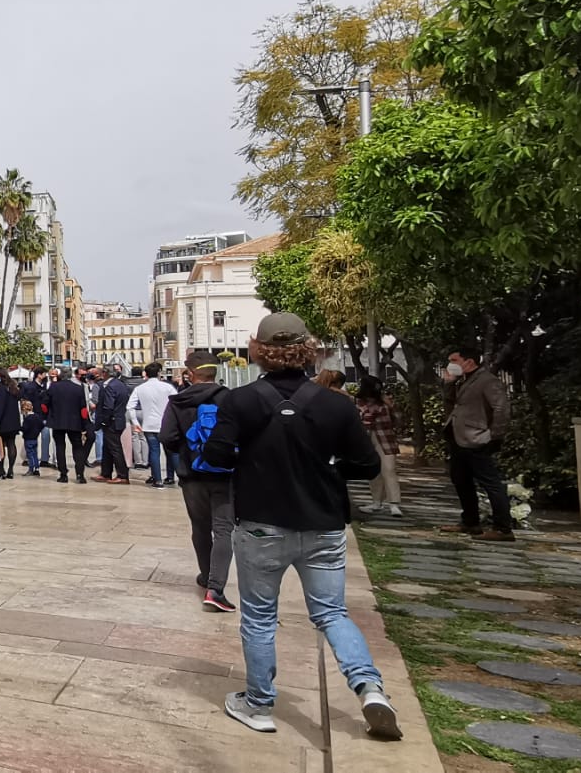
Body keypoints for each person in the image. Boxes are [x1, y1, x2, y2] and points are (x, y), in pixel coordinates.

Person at [201, 313, 398, 741]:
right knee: (331, 612)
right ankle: (369, 688)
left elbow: (216, 456)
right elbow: (366, 464)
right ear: (307, 349)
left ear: (258, 350)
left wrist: (252, 462)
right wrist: (325, 468)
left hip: (261, 524)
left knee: (259, 617)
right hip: (322, 523)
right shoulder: (336, 405)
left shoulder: (241, 400)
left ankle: (258, 704)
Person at [161, 350, 234, 613]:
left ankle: (206, 576)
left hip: (192, 475)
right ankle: (216, 588)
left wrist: (187, 449)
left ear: (190, 374)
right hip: (225, 473)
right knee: (224, 529)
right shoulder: (230, 399)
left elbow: (166, 437)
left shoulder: (178, 401)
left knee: (200, 528)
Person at [441, 348, 513, 540]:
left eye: (454, 359)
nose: (451, 364)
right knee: (461, 480)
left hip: (477, 438)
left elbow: (501, 408)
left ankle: (503, 528)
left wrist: (494, 435)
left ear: (469, 361)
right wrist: (449, 384)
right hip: (459, 438)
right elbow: (451, 405)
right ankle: (470, 521)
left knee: (491, 483)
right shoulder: (463, 381)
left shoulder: (487, 381)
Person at [355, 376, 403, 517]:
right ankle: (377, 502)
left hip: (385, 439)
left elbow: (396, 419)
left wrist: (392, 407)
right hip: (369, 439)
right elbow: (364, 421)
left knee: (389, 469)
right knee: (374, 472)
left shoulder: (385, 401)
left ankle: (394, 504)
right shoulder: (360, 402)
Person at [130, 362, 179, 488]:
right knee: (171, 452)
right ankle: (173, 477)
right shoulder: (167, 387)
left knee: (154, 451)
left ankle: (157, 480)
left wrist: (135, 422)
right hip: (166, 424)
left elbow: (130, 406)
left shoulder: (140, 388)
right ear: (159, 373)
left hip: (149, 425)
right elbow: (177, 403)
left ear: (145, 374)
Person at [43, 366, 89, 483]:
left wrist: (48, 415)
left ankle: (63, 474)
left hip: (57, 421)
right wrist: (84, 424)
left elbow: (44, 405)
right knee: (77, 447)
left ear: (59, 375)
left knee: (60, 447)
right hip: (75, 422)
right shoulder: (78, 388)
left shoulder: (54, 387)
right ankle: (80, 474)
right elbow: (83, 409)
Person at [94, 365, 131, 483]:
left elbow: (108, 406)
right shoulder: (120, 384)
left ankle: (122, 475)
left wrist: (104, 420)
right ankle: (106, 472)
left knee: (115, 448)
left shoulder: (110, 387)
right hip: (119, 419)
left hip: (112, 421)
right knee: (107, 447)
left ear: (105, 373)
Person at [0, 368, 21, 480]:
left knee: (0, 445)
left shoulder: (1, 389)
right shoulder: (13, 388)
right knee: (11, 444)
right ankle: (11, 470)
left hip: (3, 421)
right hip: (13, 421)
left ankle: (0, 469)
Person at [20, 398, 45, 476]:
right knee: (35, 454)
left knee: (29, 454)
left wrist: (20, 428)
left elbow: (25, 428)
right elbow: (42, 425)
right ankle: (37, 468)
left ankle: (31, 469)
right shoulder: (37, 417)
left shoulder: (27, 419)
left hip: (28, 438)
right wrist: (37, 431)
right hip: (35, 438)